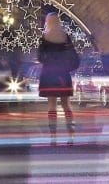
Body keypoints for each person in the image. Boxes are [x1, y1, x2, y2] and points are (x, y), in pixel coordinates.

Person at [38, 12, 77, 143]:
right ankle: (71, 135)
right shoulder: (65, 37)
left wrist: (49, 61)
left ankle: (53, 135)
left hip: (49, 75)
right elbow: (73, 55)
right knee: (66, 105)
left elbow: (39, 57)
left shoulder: (44, 37)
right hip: (63, 74)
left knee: (51, 106)